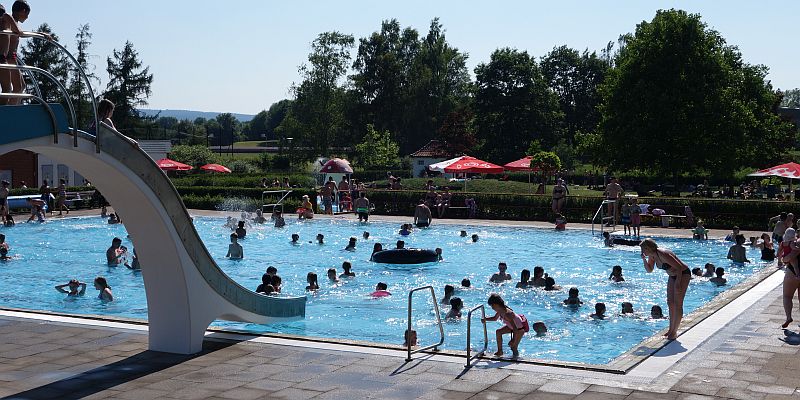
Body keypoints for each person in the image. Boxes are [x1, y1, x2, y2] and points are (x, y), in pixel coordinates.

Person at [640, 238, 691, 340]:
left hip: (683, 274)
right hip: (672, 276)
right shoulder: (652, 256)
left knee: (678, 303)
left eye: (643, 249)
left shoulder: (662, 253)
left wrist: (677, 283)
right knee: (670, 302)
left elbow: (680, 267)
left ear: (648, 248)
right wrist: (644, 259)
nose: (642, 251)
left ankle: (674, 332)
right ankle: (670, 329)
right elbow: (649, 270)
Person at [1, 1, 39, 106]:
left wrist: (40, 34)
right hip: (9, 58)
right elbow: (20, 34)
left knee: (21, 86)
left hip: (12, 58)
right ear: (23, 11)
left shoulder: (13, 22)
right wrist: (39, 34)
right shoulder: (8, 20)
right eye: (27, 14)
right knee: (16, 87)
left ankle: (13, 108)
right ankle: (10, 110)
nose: (27, 17)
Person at [481, 294, 528, 358]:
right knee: (498, 332)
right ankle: (500, 351)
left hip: (519, 330)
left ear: (496, 304)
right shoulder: (500, 310)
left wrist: (513, 340)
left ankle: (515, 358)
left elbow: (515, 329)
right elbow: (495, 318)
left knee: (513, 347)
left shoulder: (507, 314)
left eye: (492, 306)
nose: (492, 308)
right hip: (512, 327)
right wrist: (485, 319)